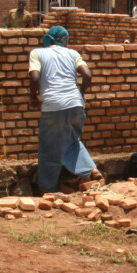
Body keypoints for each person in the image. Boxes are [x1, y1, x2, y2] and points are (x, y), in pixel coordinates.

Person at [28, 24, 97, 193]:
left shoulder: (37, 53)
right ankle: (92, 170)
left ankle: (48, 191)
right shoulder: (73, 53)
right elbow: (87, 75)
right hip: (75, 105)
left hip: (53, 106)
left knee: (48, 150)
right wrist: (81, 92)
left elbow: (35, 77)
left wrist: (33, 96)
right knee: (72, 140)